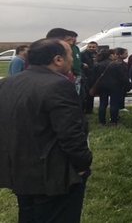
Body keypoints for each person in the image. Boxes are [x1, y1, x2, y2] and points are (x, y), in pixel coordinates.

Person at [0, 38, 93, 223]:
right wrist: (83, 164)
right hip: (54, 175)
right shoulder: (57, 85)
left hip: (19, 168)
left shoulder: (8, 82)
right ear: (58, 59)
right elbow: (70, 133)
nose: (72, 60)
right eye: (69, 55)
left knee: (28, 215)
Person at [92, 49, 129, 126]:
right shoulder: (117, 65)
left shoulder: (97, 64)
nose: (116, 56)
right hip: (115, 86)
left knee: (102, 103)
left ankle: (101, 121)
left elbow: (94, 76)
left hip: (101, 86)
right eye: (115, 54)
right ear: (111, 55)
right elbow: (122, 76)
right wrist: (126, 85)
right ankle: (114, 121)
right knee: (114, 103)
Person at [81, 42, 99, 114]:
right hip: (86, 76)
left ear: (96, 47)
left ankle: (90, 109)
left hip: (94, 76)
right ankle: (85, 109)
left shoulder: (97, 54)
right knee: (85, 94)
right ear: (87, 47)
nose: (91, 48)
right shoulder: (82, 54)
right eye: (90, 47)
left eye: (93, 47)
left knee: (92, 93)